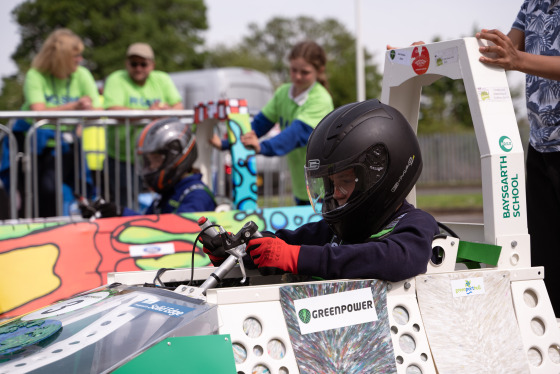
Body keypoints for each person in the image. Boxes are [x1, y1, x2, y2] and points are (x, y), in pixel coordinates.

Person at [204, 99, 440, 282]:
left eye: (345, 181)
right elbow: (285, 244)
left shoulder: (416, 224)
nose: (335, 193)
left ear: (381, 176)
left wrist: (298, 258)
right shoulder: (336, 231)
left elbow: (396, 259)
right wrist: (236, 251)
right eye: (330, 184)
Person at [476, 0, 560, 315]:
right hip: (541, 145)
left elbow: (515, 56)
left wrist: (518, 59)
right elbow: (502, 49)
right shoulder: (533, 4)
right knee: (545, 256)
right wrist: (424, 55)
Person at [210, 40, 334, 206]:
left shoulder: (321, 99)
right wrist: (226, 143)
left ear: (319, 71)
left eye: (304, 72)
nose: (297, 76)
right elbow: (259, 125)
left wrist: (261, 147)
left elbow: (295, 135)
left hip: (325, 186)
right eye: (293, 70)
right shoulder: (283, 92)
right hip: (302, 185)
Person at [0, 28, 100, 218]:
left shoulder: (82, 74)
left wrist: (86, 109)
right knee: (43, 194)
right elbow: (39, 112)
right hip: (33, 147)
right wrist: (75, 106)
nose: (80, 60)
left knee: (78, 191)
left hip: (67, 145)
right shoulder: (35, 75)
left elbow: (97, 111)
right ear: (61, 57)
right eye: (75, 55)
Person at [80, 117, 216, 218]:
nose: (150, 167)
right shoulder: (168, 193)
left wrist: (121, 213)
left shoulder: (197, 195)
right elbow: (148, 222)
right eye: (148, 162)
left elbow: (174, 233)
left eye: (154, 161)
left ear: (175, 158)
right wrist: (113, 213)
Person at [103, 42, 184, 206]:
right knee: (125, 205)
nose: (138, 68)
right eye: (134, 63)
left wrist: (165, 111)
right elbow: (113, 109)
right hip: (122, 158)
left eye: (143, 64)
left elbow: (178, 106)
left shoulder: (162, 79)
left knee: (161, 202)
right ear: (127, 64)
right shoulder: (116, 79)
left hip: (157, 159)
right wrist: (149, 113)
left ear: (152, 65)